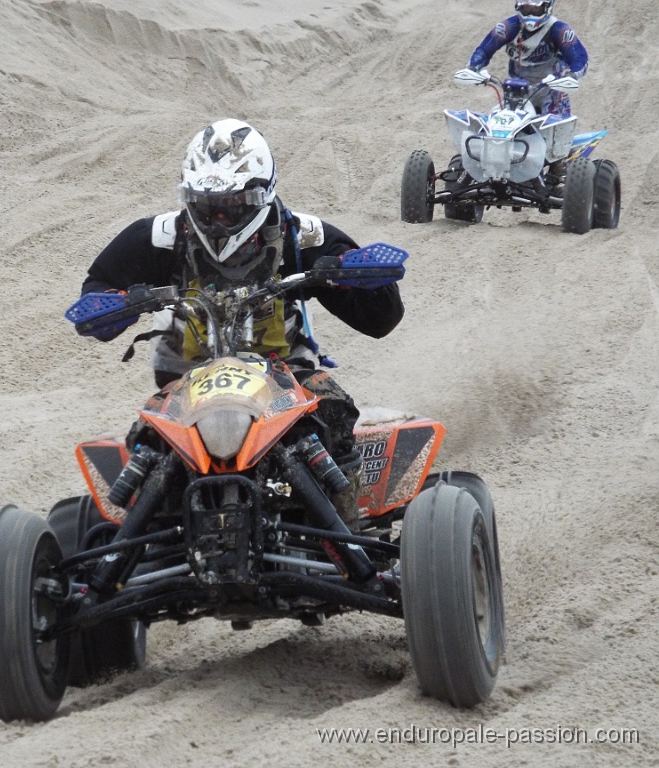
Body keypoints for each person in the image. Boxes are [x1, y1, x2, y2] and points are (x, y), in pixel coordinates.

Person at [75, 118, 404, 530]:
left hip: (289, 381)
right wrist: (118, 304)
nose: (217, 219)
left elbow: (383, 318)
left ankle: (347, 537)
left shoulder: (301, 237)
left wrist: (345, 276)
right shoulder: (159, 238)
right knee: (146, 444)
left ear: (261, 194)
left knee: (334, 414)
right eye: (204, 203)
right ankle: (145, 549)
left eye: (231, 204)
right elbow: (92, 298)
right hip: (184, 384)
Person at [466, 1, 588, 119]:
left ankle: (563, 138)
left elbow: (579, 57)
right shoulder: (508, 27)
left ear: (547, 7)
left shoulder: (559, 30)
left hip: (551, 89)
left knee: (555, 126)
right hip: (517, 88)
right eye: (527, 8)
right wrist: (472, 67)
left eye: (535, 9)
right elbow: (484, 50)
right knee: (500, 118)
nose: (530, 14)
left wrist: (571, 75)